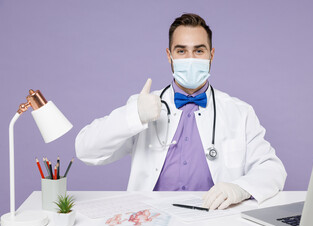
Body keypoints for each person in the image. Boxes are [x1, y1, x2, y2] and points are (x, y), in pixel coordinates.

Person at [75, 13, 287, 210]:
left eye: (199, 50)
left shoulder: (240, 112)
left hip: (217, 220)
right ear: (169, 56)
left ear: (211, 55)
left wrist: (239, 189)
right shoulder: (143, 105)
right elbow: (86, 150)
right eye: (181, 51)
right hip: (151, 219)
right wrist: (134, 116)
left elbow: (273, 169)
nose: (190, 58)